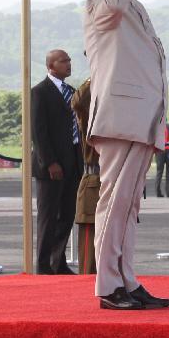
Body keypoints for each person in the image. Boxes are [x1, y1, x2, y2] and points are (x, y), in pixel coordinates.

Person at [83, 0, 169, 310]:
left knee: (129, 206)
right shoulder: (99, 1)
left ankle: (126, 279)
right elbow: (113, 6)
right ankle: (108, 285)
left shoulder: (135, 7)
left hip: (140, 119)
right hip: (120, 119)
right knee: (115, 203)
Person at [30, 49, 83, 275]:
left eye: (69, 60)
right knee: (48, 217)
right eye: (63, 61)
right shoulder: (39, 92)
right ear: (51, 66)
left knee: (67, 215)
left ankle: (57, 262)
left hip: (72, 163)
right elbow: (38, 131)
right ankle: (43, 266)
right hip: (51, 167)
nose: (68, 64)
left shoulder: (72, 92)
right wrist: (50, 162)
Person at [70, 77, 98, 275]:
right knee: (90, 257)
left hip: (119, 182)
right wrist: (96, 74)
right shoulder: (89, 113)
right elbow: (78, 102)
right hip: (96, 180)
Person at [152, 122, 169, 197]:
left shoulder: (158, 128)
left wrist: (154, 151)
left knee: (159, 172)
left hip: (160, 150)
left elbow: (156, 139)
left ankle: (158, 192)